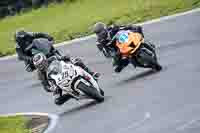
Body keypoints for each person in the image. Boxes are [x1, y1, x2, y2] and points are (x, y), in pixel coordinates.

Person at [15, 30, 100, 93]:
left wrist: (48, 37)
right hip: (31, 58)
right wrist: (30, 59)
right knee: (35, 69)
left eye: (25, 37)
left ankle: (90, 73)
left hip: (41, 51)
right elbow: (21, 56)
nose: (25, 39)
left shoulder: (30, 35)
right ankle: (49, 85)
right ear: (19, 40)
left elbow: (40, 34)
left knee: (63, 57)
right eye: (23, 39)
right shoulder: (18, 46)